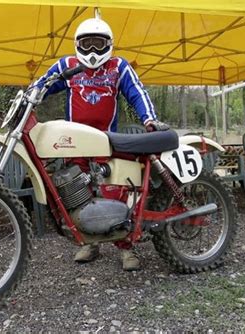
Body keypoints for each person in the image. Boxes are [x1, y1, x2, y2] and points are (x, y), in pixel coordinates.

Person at [36, 17, 169, 271]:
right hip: (74, 143)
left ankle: (126, 247)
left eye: (99, 44)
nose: (93, 51)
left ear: (109, 44)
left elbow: (137, 92)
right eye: (87, 44)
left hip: (106, 142)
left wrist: (149, 118)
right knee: (77, 194)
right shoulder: (68, 65)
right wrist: (28, 96)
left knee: (115, 191)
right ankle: (90, 242)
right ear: (77, 44)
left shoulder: (118, 67)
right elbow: (44, 84)